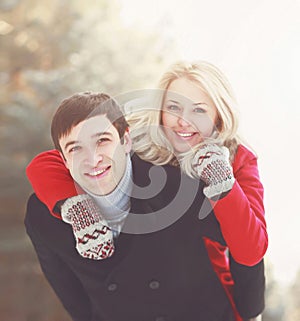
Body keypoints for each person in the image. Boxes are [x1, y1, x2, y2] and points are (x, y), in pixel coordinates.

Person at [25, 91, 241, 321]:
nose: (93, 158)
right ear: (64, 160)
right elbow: (71, 295)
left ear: (125, 141)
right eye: (75, 148)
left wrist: (250, 311)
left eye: (102, 141)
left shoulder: (175, 186)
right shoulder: (43, 217)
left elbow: (240, 244)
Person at [125, 60, 267, 321]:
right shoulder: (133, 137)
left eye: (199, 110)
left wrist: (221, 180)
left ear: (218, 115)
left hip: (205, 298)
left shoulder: (238, 158)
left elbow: (250, 252)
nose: (182, 121)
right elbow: (54, 159)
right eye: (173, 107)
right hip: (136, 290)